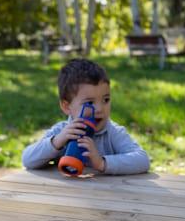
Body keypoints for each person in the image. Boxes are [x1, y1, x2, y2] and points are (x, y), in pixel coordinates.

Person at [21, 58, 150, 175]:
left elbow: (143, 160)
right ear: (67, 106)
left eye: (106, 100)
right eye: (89, 103)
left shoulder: (112, 132)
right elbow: (27, 159)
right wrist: (56, 142)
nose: (100, 109)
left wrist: (102, 163)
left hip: (106, 196)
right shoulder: (62, 132)